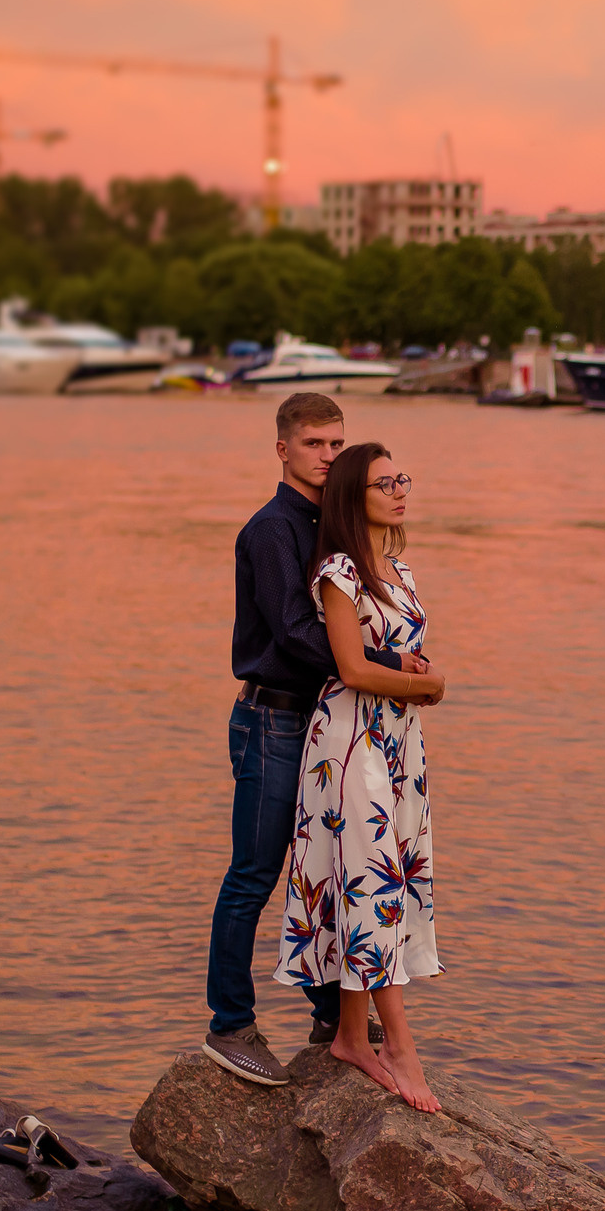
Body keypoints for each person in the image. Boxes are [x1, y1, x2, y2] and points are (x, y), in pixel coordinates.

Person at [201, 393, 436, 1087]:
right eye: (314, 444)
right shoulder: (273, 531)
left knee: (329, 869)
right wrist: (392, 666)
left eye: (338, 443)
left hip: (326, 725)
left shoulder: (331, 527)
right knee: (255, 871)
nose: (329, 455)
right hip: (273, 719)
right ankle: (230, 1023)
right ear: (283, 449)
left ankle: (333, 1014)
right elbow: (299, 636)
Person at [275, 441, 445, 1113]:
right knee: (370, 880)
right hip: (350, 744)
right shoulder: (338, 572)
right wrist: (426, 683)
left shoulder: (399, 569)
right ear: (354, 496)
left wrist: (416, 670)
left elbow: (398, 656)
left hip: (399, 742)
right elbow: (348, 667)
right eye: (384, 483)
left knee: (382, 877)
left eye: (402, 477)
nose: (400, 490)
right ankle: (400, 1044)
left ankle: (350, 1033)